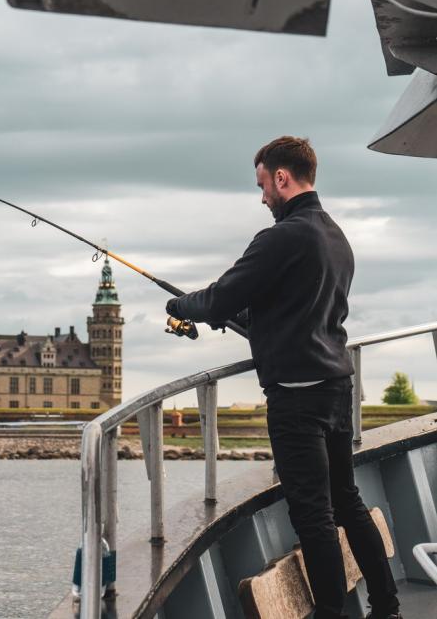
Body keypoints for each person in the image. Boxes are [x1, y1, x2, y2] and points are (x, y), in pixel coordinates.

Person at [165, 136, 401, 619]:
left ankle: (331, 613)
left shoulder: (281, 237)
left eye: (262, 185)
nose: (262, 197)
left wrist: (179, 304)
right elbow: (298, 308)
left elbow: (220, 298)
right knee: (347, 502)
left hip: (297, 399)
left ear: (281, 177)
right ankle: (388, 607)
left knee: (314, 516)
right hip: (337, 387)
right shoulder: (335, 236)